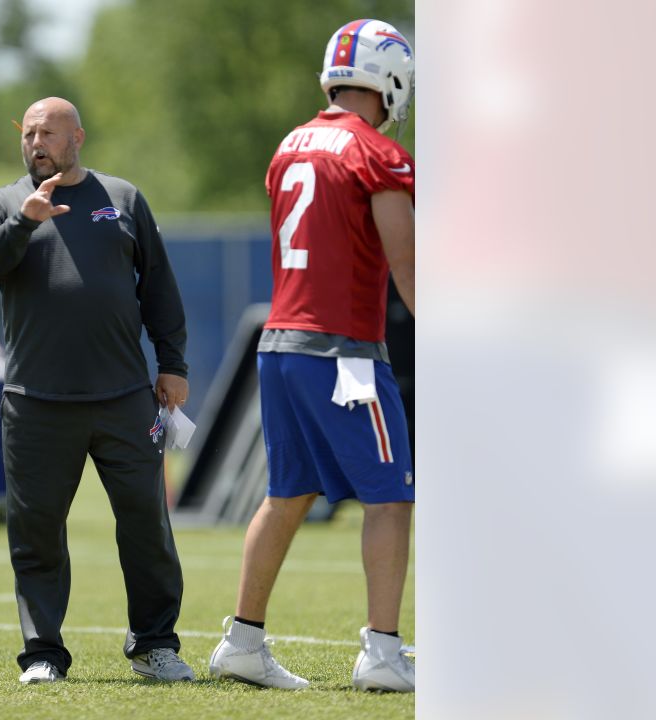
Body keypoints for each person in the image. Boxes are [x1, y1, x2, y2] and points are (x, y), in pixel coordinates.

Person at [208, 19, 417, 692]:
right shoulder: (376, 153)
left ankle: (242, 640)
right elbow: (406, 262)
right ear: (389, 80)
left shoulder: (289, 145)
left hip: (279, 346)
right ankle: (382, 652)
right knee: (390, 498)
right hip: (344, 353)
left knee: (287, 494)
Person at [0, 97, 194, 685]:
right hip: (35, 402)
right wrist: (25, 221)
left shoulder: (124, 199)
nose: (36, 142)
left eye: (48, 133)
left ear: (77, 137)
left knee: (146, 526)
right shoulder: (2, 204)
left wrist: (173, 364)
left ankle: (154, 645)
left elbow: (159, 288)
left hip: (124, 397)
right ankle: (43, 654)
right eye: (29, 133)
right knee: (36, 533)